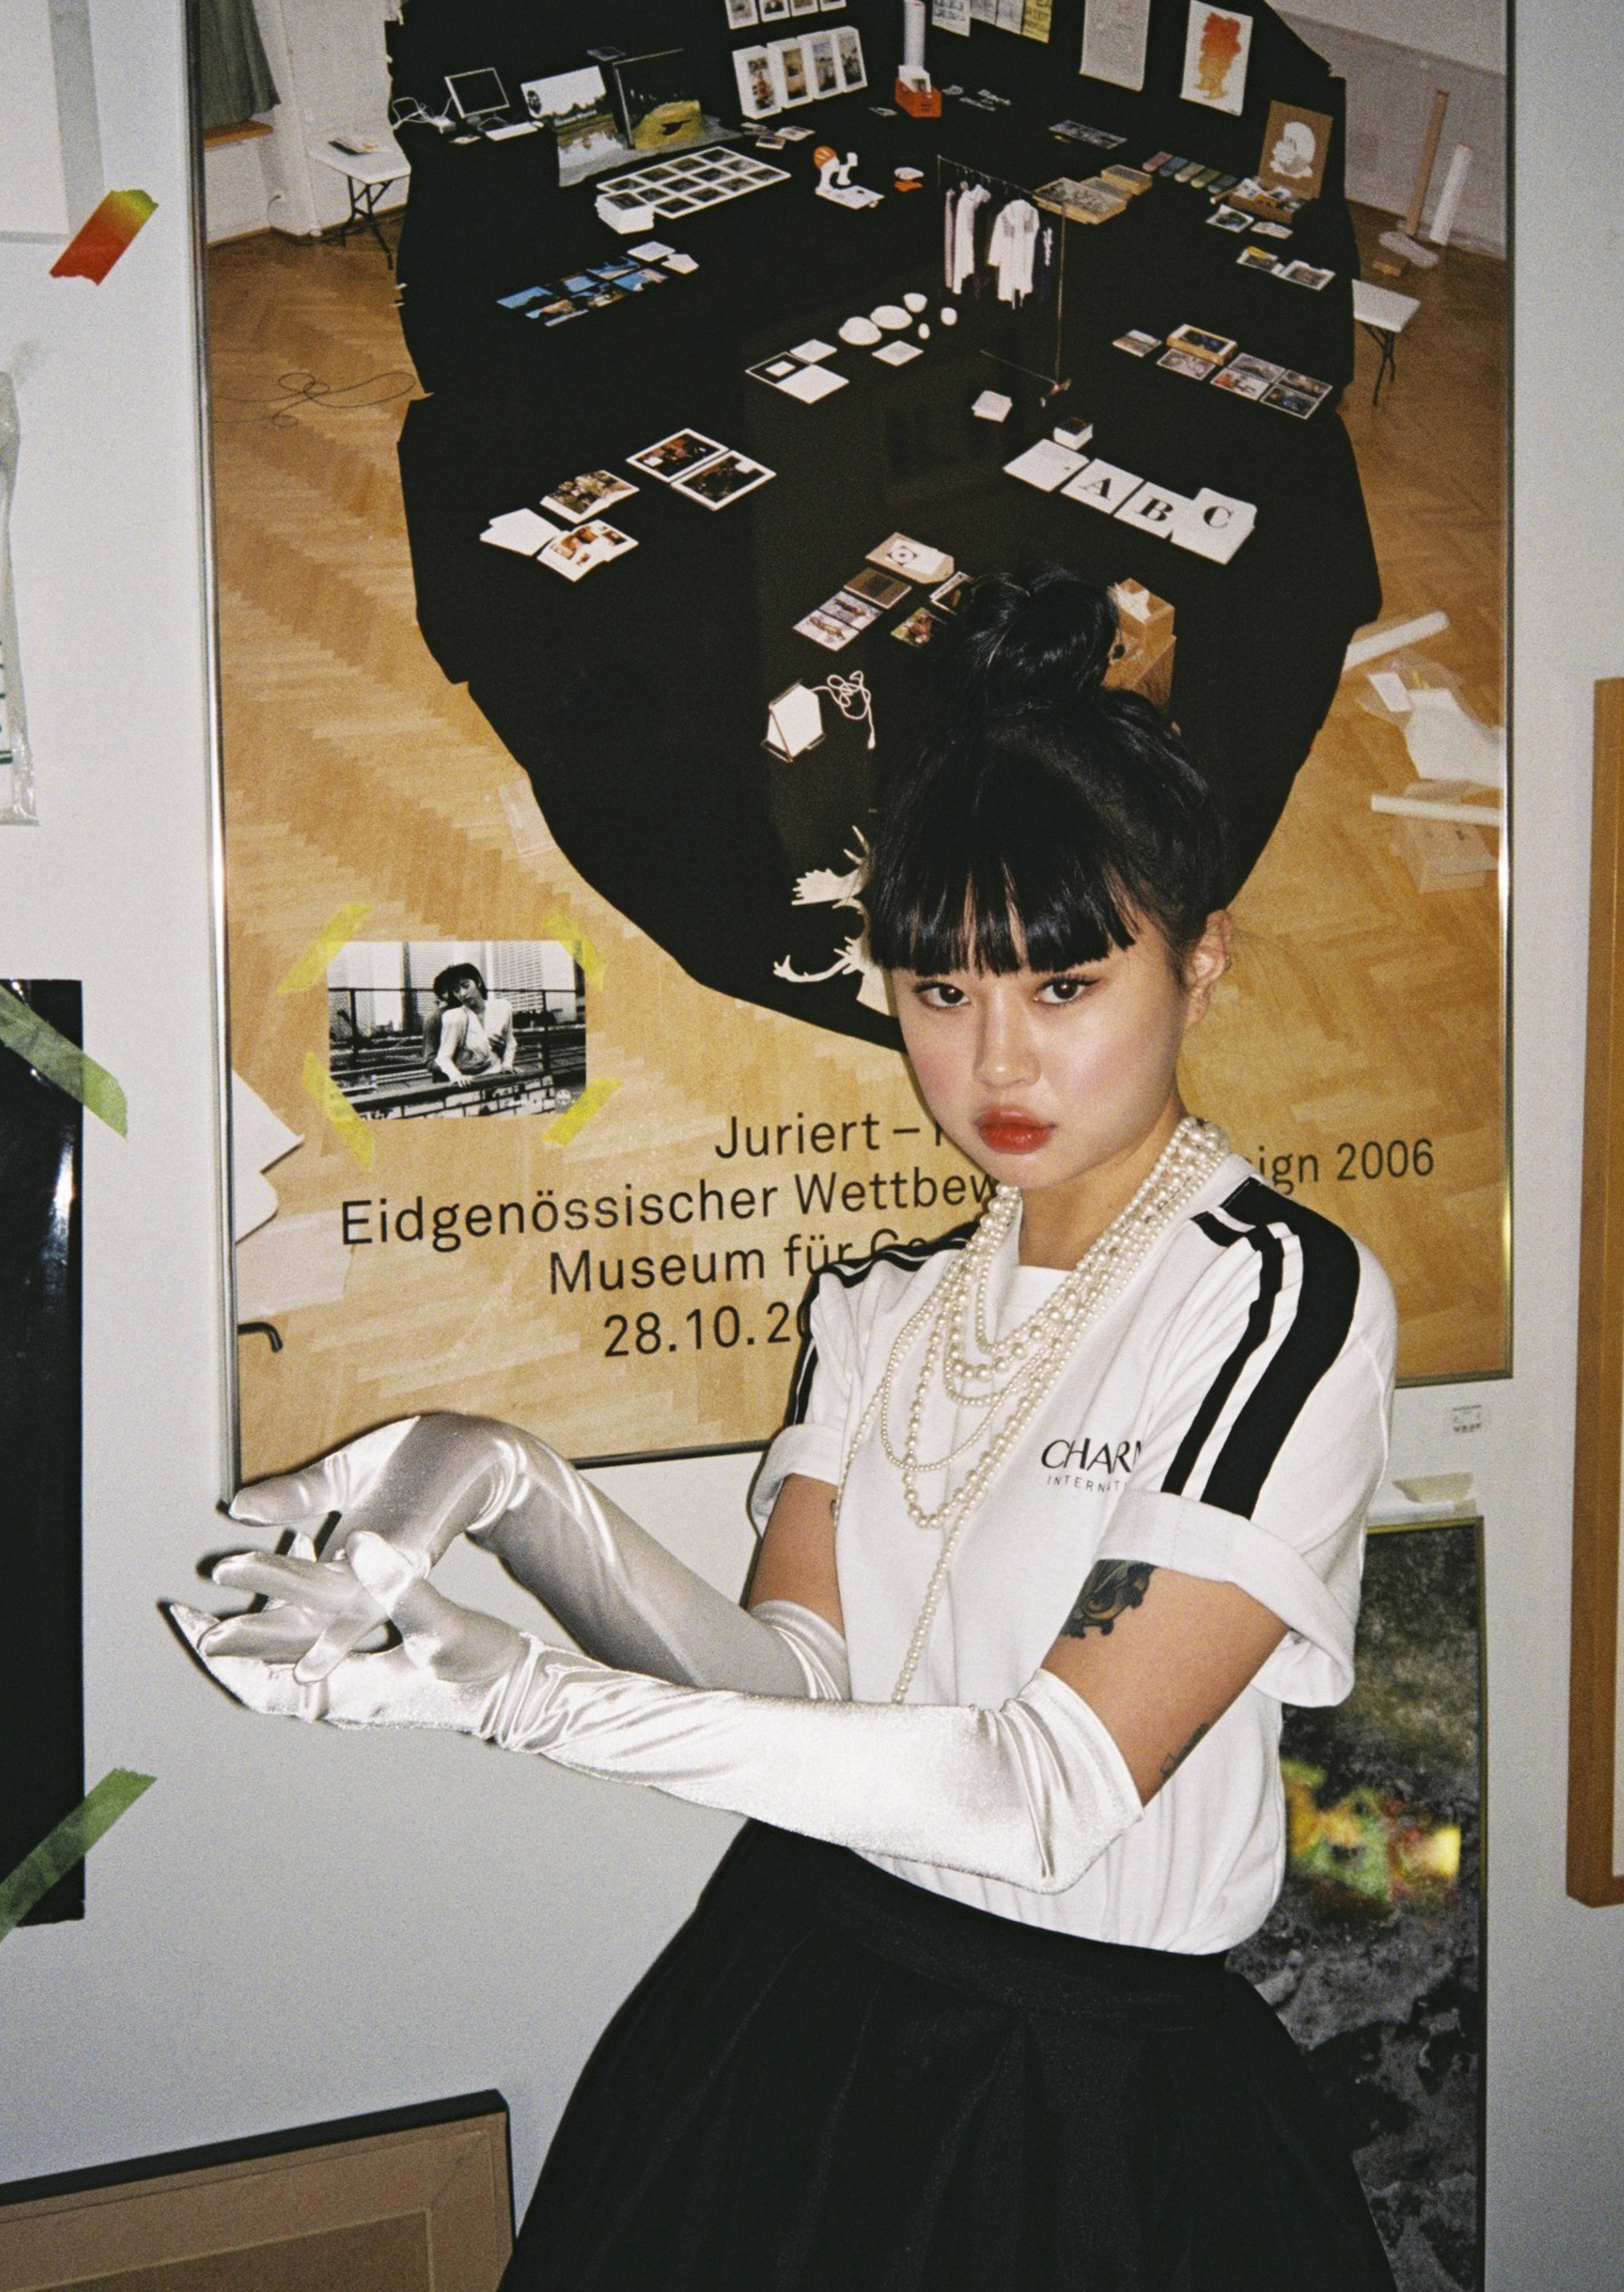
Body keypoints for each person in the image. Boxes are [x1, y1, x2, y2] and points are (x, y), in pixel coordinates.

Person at [174, 570, 1398, 2291]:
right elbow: (794, 1688)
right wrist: (516, 1486)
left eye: (1061, 985)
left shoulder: (1270, 1297)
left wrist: (517, 1695)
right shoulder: (884, 1311)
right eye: (939, 990)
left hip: (1078, 2089)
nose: (994, 1060)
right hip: (800, 1999)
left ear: (1200, 962)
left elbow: (1049, 1792)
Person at [426, 962, 516, 1086]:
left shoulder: (503, 1007)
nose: (462, 994)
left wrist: (507, 1065)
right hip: (471, 1083)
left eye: (466, 985)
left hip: (498, 1077)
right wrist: (456, 1075)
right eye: (456, 990)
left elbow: (511, 1042)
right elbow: (442, 1057)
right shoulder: (453, 1017)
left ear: (478, 982)